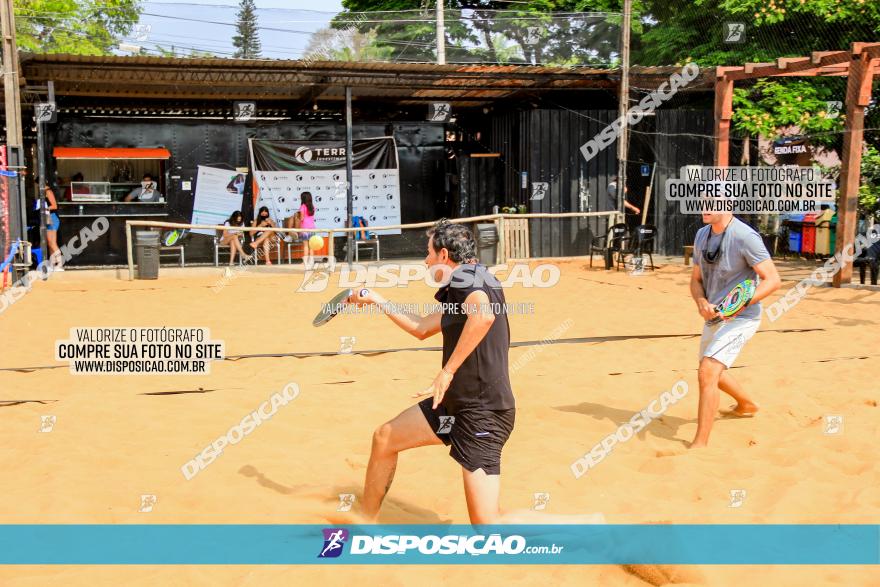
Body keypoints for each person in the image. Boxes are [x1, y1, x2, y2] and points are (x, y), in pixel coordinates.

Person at [346, 220, 603, 524]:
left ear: (443, 255)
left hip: (482, 412)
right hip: (454, 405)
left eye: (428, 253)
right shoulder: (472, 277)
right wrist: (376, 299)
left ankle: (588, 526)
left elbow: (483, 317)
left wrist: (447, 371)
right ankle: (365, 523)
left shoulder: (464, 279)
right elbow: (421, 328)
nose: (425, 260)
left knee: (487, 525)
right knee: (385, 438)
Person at [689, 211, 781, 448]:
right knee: (710, 371)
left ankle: (699, 445)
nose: (703, 205)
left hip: (743, 317)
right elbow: (696, 280)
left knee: (707, 371)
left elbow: (772, 280)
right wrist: (701, 301)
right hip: (714, 315)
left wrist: (738, 305)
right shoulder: (702, 235)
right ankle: (747, 404)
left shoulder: (745, 236)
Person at [39, 185, 63, 271]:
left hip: (52, 218)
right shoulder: (45, 192)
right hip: (49, 218)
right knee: (50, 243)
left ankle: (60, 264)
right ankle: (52, 265)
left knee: (52, 243)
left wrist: (44, 208)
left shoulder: (48, 191)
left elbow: (54, 206)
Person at [298, 192, 316, 263]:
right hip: (312, 228)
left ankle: (305, 261)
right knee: (311, 246)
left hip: (305, 228)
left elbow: (302, 218)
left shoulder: (302, 206)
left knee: (305, 245)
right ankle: (311, 260)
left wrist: (298, 219)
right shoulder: (313, 207)